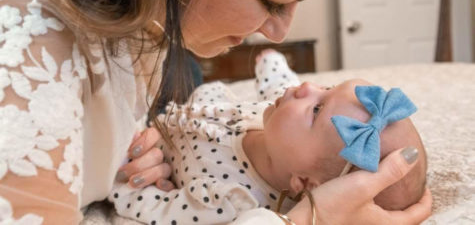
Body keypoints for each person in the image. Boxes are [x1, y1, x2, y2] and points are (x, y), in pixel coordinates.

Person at [0, 0, 432, 224]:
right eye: (272, 1)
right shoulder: (28, 19)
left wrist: (120, 153)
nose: (279, 32)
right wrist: (310, 220)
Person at [109, 50, 427, 224]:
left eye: (317, 109)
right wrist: (272, 64)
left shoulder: (233, 200)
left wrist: (117, 175)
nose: (307, 88)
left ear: (306, 182)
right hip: (202, 102)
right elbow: (279, 86)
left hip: (154, 132)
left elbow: (156, 208)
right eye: (328, 87)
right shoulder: (278, 125)